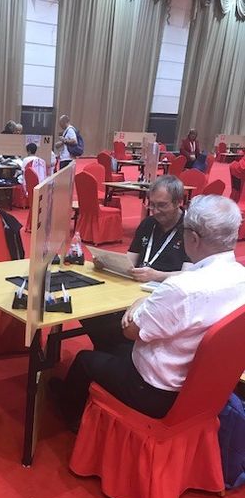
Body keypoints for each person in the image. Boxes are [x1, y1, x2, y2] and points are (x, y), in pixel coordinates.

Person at [51, 194, 245, 432]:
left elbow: (131, 331)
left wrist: (139, 303)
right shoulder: (240, 276)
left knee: (84, 359)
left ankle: (70, 417)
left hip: (156, 391)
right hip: (205, 388)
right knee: (112, 347)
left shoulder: (181, 288)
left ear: (193, 238)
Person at [84, 175, 190, 352]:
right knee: (91, 311)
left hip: (166, 296)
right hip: (135, 289)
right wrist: (107, 263)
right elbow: (130, 261)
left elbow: (189, 275)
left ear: (179, 202)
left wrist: (156, 275)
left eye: (162, 205)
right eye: (151, 204)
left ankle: (116, 353)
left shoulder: (190, 230)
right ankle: (110, 351)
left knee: (111, 323)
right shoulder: (148, 224)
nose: (155, 211)